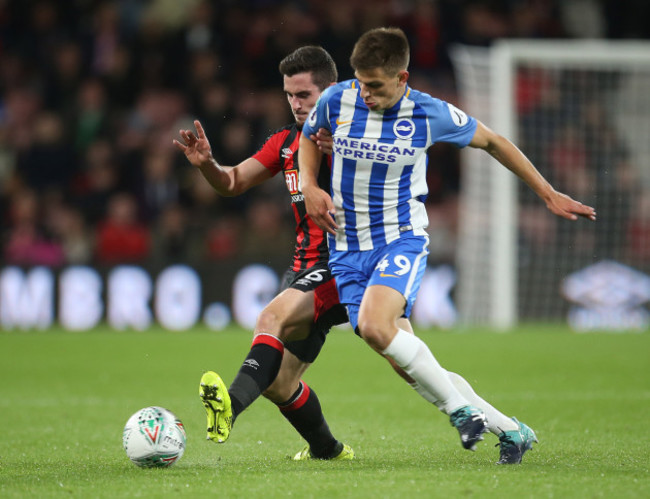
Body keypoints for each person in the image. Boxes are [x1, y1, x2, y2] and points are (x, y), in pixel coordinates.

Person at [298, 27, 596, 463]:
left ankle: (462, 413)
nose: (365, 94)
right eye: (361, 83)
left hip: (400, 238)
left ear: (402, 77)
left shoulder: (428, 113)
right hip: (346, 249)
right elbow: (309, 136)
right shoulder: (336, 99)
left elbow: (494, 141)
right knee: (409, 363)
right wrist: (308, 184)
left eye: (376, 86)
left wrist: (547, 192)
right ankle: (512, 430)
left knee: (379, 328)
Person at [173, 46, 353, 460]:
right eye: (289, 94)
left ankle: (229, 409)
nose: (295, 103)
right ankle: (329, 451)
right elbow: (233, 181)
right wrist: (206, 165)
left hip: (345, 265)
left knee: (269, 317)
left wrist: (341, 145)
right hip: (304, 269)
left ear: (330, 91)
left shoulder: (355, 138)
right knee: (279, 382)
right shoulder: (287, 142)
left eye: (304, 95)